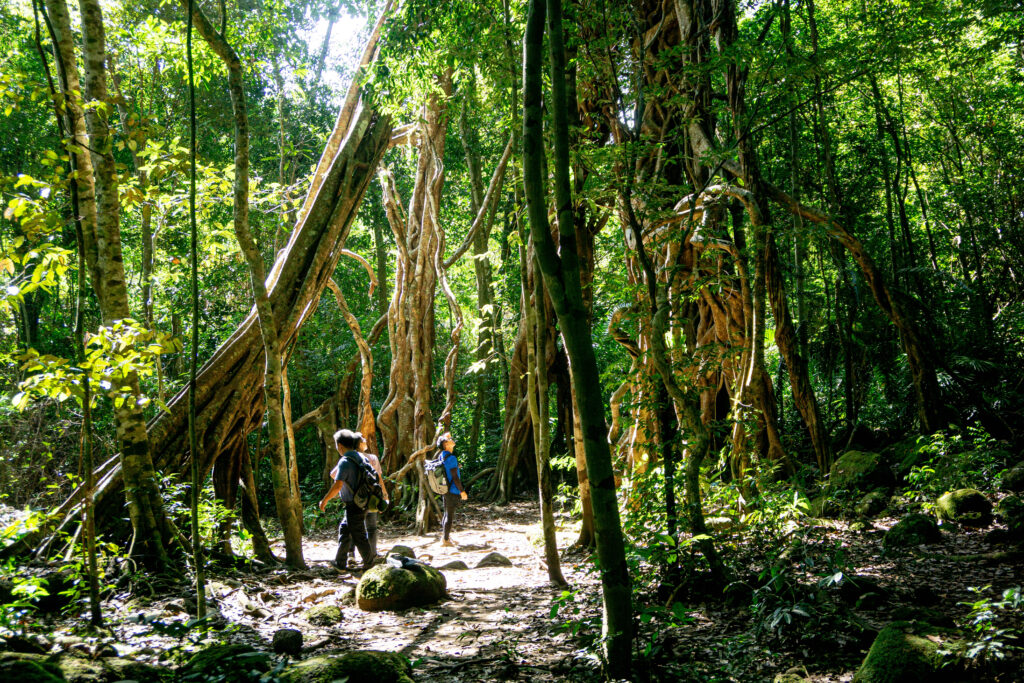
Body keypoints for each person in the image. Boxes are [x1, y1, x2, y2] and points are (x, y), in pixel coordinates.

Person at [319, 429, 374, 572]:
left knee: (359, 535)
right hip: (364, 501)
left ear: (340, 445)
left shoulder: (345, 461)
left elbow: (337, 485)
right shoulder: (361, 457)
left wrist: (324, 500)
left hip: (354, 505)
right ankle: (340, 563)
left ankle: (369, 565)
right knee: (345, 530)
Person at [436, 432, 468, 547]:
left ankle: (446, 537)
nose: (452, 440)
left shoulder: (442, 455)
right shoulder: (451, 458)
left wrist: (446, 435)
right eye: (449, 440)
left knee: (446, 513)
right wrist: (462, 491)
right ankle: (445, 540)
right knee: (449, 515)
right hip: (452, 490)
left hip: (445, 489)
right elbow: (454, 477)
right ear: (446, 444)